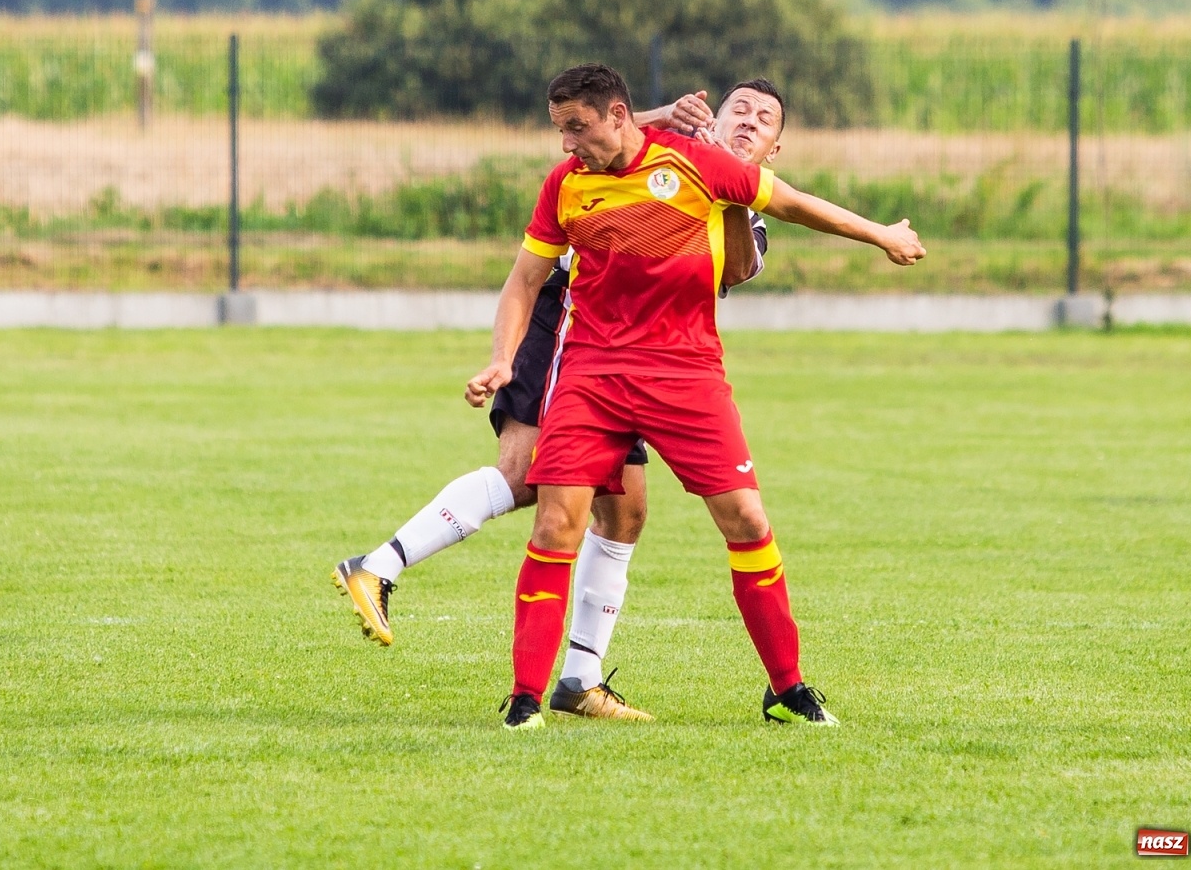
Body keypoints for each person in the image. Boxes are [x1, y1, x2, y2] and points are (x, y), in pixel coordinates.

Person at [470, 64, 926, 729]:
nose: (567, 144)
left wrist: (881, 234)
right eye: (560, 130)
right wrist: (502, 361)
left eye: (577, 128)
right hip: (592, 378)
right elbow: (522, 283)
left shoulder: (697, 167)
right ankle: (526, 701)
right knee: (554, 524)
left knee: (746, 520)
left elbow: (794, 202)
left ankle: (788, 689)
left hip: (686, 376)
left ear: (618, 116)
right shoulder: (565, 187)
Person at [333, 92, 758, 723]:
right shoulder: (651, 155)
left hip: (639, 354)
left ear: (776, 149)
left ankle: (580, 681)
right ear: (710, 119)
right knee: (526, 474)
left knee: (625, 512)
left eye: (764, 122)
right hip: (570, 327)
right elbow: (591, 143)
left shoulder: (734, 196)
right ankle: (378, 565)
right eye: (737, 111)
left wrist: (732, 193)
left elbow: (736, 271)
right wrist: (659, 119)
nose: (747, 125)